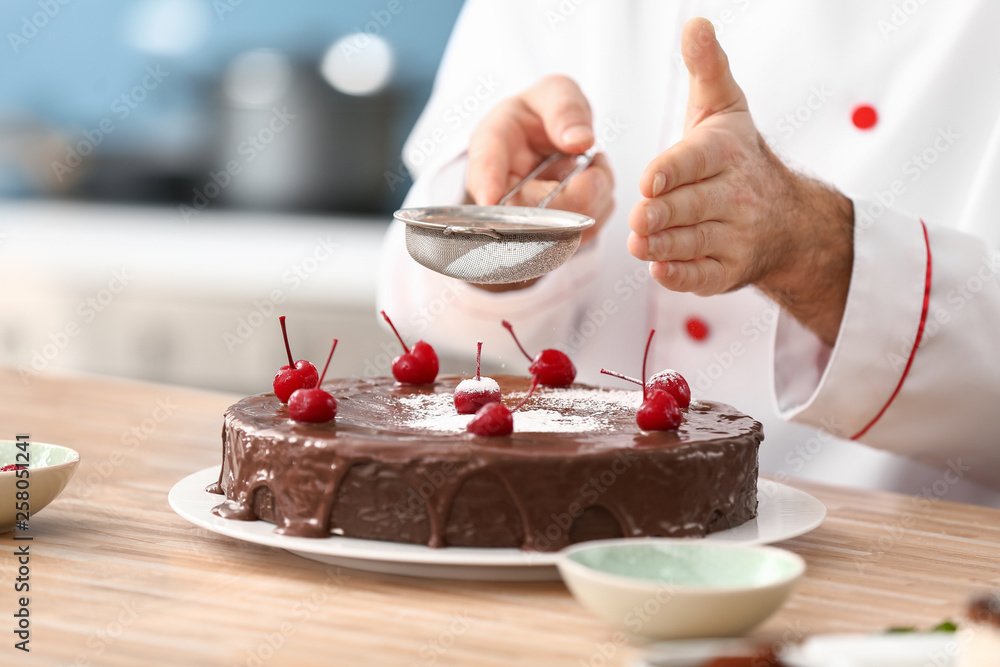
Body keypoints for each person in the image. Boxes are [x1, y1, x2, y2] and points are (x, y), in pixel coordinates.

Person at [378, 0, 1000, 503]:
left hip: (888, 564)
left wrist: (819, 251)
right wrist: (501, 226)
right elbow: (425, 291)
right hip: (566, 523)